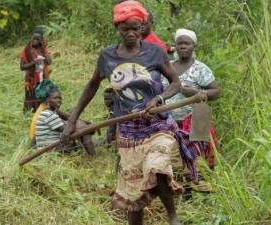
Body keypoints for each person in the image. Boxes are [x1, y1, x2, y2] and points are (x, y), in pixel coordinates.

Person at [61, 2, 207, 224]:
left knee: (157, 167)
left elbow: (175, 84)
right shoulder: (107, 57)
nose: (130, 34)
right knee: (133, 194)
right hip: (128, 133)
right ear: (117, 28)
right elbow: (91, 87)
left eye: (135, 28)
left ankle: (172, 216)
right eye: (125, 29)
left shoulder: (155, 52)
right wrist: (72, 121)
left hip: (156, 125)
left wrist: (159, 98)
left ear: (142, 27)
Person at [163, 28, 220, 168]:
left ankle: (199, 177)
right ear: (174, 46)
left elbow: (216, 92)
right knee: (172, 161)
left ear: (194, 46)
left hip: (193, 119)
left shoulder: (200, 68)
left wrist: (192, 92)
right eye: (179, 43)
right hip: (168, 120)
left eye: (187, 43)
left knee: (196, 161)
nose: (183, 46)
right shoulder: (167, 67)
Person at [34, 80, 96, 156]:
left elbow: (69, 119)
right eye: (55, 98)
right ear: (47, 100)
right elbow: (69, 130)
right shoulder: (48, 114)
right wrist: (88, 128)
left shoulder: (52, 112)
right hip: (48, 150)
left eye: (60, 98)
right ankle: (94, 157)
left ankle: (92, 157)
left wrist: (86, 125)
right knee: (83, 133)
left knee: (82, 131)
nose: (59, 100)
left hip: (50, 147)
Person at [19, 27, 52, 113]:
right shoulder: (26, 50)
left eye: (37, 39)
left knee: (43, 99)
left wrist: (44, 49)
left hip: (43, 79)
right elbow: (22, 67)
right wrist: (34, 62)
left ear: (41, 39)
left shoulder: (42, 49)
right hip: (31, 80)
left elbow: (49, 62)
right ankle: (30, 115)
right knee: (31, 99)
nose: (34, 40)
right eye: (33, 38)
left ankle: (42, 113)